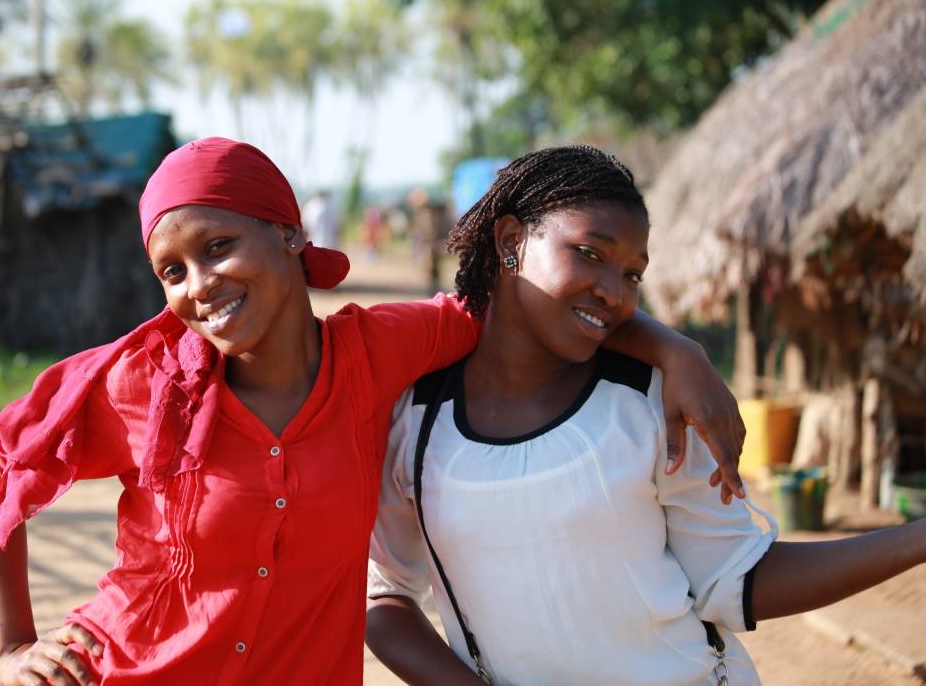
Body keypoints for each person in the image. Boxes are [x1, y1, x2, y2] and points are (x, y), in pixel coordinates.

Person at [0, 137, 746, 685]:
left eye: (218, 246)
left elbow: (525, 303)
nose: (197, 283)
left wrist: (677, 350)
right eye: (171, 270)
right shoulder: (147, 385)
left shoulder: (380, 353)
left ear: (289, 237)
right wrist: (12, 647)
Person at [365, 146, 926, 685]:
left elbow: (737, 577)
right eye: (590, 252)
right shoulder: (417, 417)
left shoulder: (654, 402)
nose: (614, 292)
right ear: (512, 241)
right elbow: (385, 596)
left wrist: (917, 538)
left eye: (633, 274)